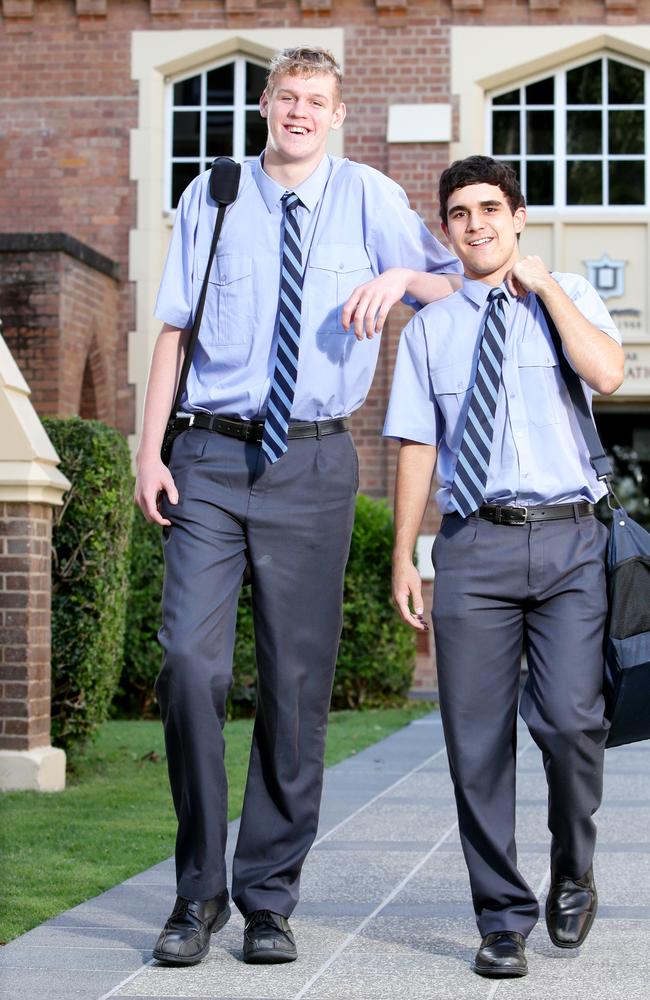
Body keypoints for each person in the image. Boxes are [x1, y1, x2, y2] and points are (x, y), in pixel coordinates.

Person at [134, 46, 461, 968]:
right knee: (191, 667)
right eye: (288, 97)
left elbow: (456, 281)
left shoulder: (369, 198)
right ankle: (196, 893)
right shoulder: (218, 191)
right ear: (267, 104)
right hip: (205, 455)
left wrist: (401, 279)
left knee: (295, 686)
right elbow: (174, 330)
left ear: (337, 114)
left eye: (318, 100)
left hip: (314, 463)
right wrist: (146, 452)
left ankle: (268, 897)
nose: (301, 112)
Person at [385, 155, 624, 979]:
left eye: (491, 208)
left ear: (517, 218)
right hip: (473, 547)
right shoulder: (429, 332)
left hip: (567, 541)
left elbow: (608, 373)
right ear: (447, 229)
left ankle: (574, 866)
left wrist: (548, 289)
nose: (476, 223)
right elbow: (418, 446)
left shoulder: (571, 301)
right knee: (475, 743)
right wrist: (406, 554)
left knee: (568, 722)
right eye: (459, 213)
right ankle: (501, 917)